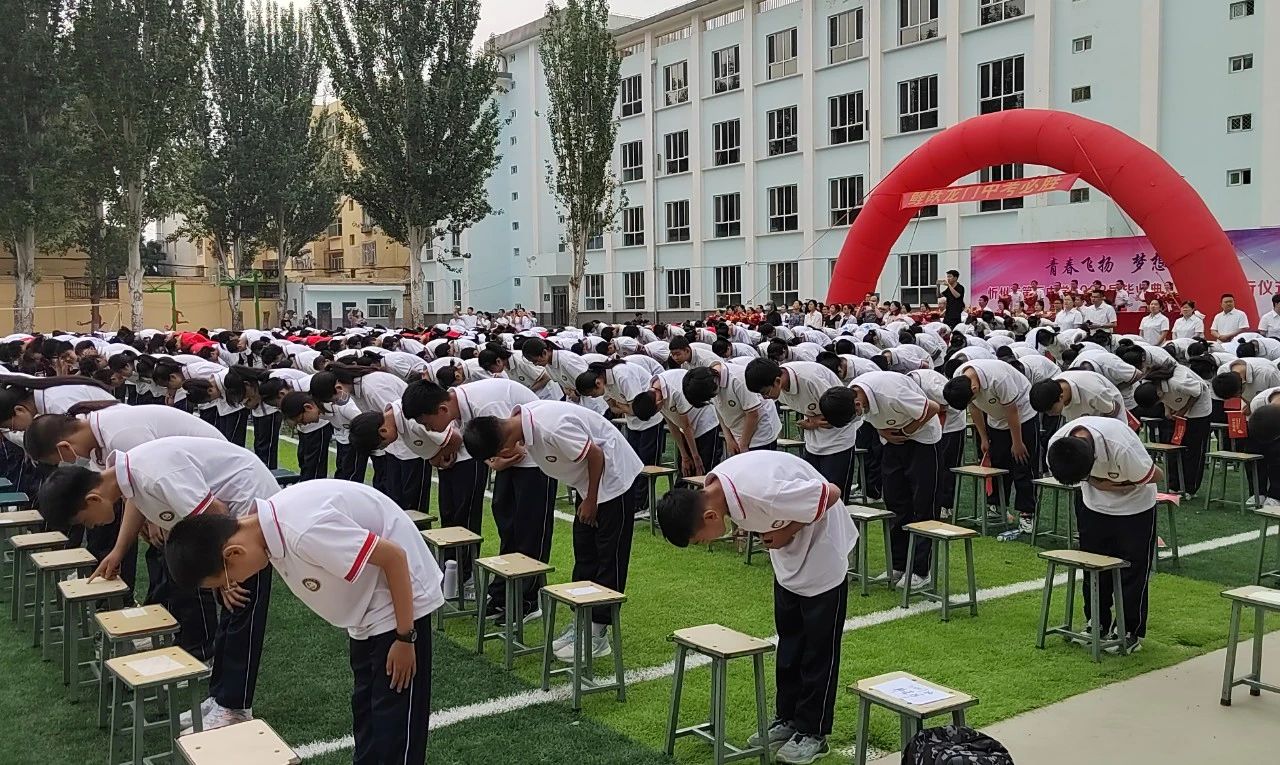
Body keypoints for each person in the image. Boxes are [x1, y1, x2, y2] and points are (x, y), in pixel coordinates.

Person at [165, 480, 440, 765]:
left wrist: (405, 637)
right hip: (366, 611)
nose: (238, 583)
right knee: (367, 716)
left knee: (394, 727)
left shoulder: (303, 530)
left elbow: (395, 557)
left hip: (399, 607)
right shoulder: (268, 533)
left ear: (233, 554)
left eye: (230, 579)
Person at [37, 436, 280, 730]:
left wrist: (225, 573)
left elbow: (215, 512)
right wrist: (119, 550)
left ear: (92, 499)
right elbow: (137, 504)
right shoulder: (129, 473)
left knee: (242, 609)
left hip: (244, 510)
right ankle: (219, 698)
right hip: (226, 521)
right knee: (229, 612)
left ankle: (235, 707)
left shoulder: (150, 474)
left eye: (84, 521)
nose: (91, 527)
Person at [654, 452, 854, 764]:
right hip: (787, 558)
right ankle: (788, 719)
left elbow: (831, 493)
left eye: (700, 541)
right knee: (789, 643)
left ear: (710, 517)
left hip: (822, 551)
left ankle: (813, 732)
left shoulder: (761, 492)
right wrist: (781, 534)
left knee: (818, 650)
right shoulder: (719, 490)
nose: (705, 544)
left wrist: (787, 530)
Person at [462, 399, 641, 660]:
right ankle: (582, 620)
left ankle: (598, 632)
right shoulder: (520, 425)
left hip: (614, 480)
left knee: (608, 556)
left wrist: (592, 500)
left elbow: (596, 455)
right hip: (588, 484)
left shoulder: (550, 428)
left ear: (503, 448)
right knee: (585, 552)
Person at [1046, 416, 1160, 654]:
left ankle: (1129, 631)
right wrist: (1094, 483)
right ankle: (1096, 622)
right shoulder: (1058, 445)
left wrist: (1119, 483)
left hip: (1134, 507)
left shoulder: (1121, 446)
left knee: (1132, 570)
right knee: (1093, 567)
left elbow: (1157, 475)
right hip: (1093, 506)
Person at [821, 372, 942, 589]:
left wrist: (906, 430)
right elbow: (871, 419)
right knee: (896, 503)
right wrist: (883, 431)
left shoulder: (891, 393)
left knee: (923, 505)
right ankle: (898, 565)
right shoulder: (849, 396)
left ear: (857, 403)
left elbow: (933, 407)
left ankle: (921, 570)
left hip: (923, 441)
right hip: (891, 442)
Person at [943, 359, 1038, 534]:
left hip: (1023, 415)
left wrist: (1017, 442)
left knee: (1022, 465)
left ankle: (1027, 513)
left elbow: (1012, 411)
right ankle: (997, 507)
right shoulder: (959, 379)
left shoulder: (998, 379)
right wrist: (984, 438)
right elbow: (974, 409)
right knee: (997, 465)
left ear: (974, 389)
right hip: (996, 420)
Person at [681, 362, 781, 455]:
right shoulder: (708, 383)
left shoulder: (738, 379)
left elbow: (753, 414)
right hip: (738, 434)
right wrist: (729, 439)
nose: (711, 398)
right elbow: (720, 412)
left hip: (761, 433)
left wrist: (744, 444)